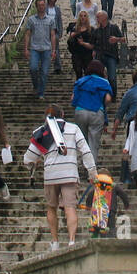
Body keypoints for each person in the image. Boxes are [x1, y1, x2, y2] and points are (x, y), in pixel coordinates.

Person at [23, 104, 95, 251]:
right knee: (70, 208)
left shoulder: (42, 132)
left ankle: (55, 242)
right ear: (62, 114)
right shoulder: (73, 128)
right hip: (69, 174)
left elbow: (28, 159)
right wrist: (92, 172)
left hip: (51, 175)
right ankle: (72, 241)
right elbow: (86, 151)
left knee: (51, 207)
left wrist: (34, 162)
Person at [71, 59, 113, 160]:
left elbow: (73, 98)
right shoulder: (104, 82)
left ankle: (83, 163)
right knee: (93, 142)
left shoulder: (81, 81)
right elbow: (108, 99)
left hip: (80, 111)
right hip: (96, 112)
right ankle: (91, 168)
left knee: (82, 141)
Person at [23, 0, 58, 99]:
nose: (41, 7)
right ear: (36, 7)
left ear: (45, 6)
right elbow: (27, 34)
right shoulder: (31, 20)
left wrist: (54, 50)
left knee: (44, 72)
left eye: (43, 5)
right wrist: (25, 49)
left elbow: (52, 35)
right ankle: (36, 86)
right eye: (39, 5)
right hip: (34, 48)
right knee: (33, 68)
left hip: (46, 49)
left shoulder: (50, 20)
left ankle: (41, 92)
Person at [91, 10, 124, 96]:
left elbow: (124, 40)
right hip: (99, 56)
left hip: (111, 56)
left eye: (98, 17)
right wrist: (93, 50)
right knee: (98, 77)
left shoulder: (114, 28)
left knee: (112, 78)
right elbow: (93, 44)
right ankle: (100, 95)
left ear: (104, 17)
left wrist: (116, 39)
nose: (96, 19)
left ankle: (113, 96)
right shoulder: (96, 31)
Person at [67, 10, 95, 79]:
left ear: (87, 18)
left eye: (85, 16)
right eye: (81, 16)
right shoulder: (74, 28)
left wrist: (83, 43)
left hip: (87, 53)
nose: (83, 18)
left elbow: (93, 44)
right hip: (76, 53)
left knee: (87, 72)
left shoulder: (91, 29)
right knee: (78, 71)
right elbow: (69, 41)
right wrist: (74, 34)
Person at [45, 0, 65, 73]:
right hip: (46, 31)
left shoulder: (57, 9)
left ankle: (58, 67)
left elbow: (59, 20)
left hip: (55, 30)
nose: (53, 0)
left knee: (56, 49)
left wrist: (60, 32)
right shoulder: (45, 8)